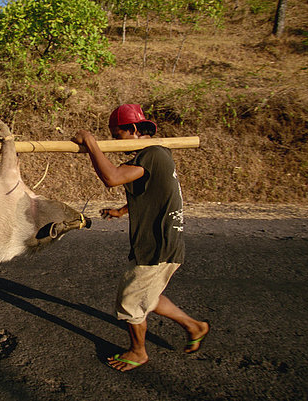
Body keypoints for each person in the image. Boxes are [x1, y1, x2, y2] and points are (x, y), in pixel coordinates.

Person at [71, 104, 209, 372]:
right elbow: (155, 193)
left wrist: (90, 142)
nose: (113, 141)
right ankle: (194, 326)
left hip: (158, 245)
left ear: (133, 129)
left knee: (131, 299)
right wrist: (122, 211)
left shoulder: (153, 154)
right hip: (162, 242)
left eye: (116, 134)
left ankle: (138, 351)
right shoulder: (155, 156)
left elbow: (112, 178)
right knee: (149, 294)